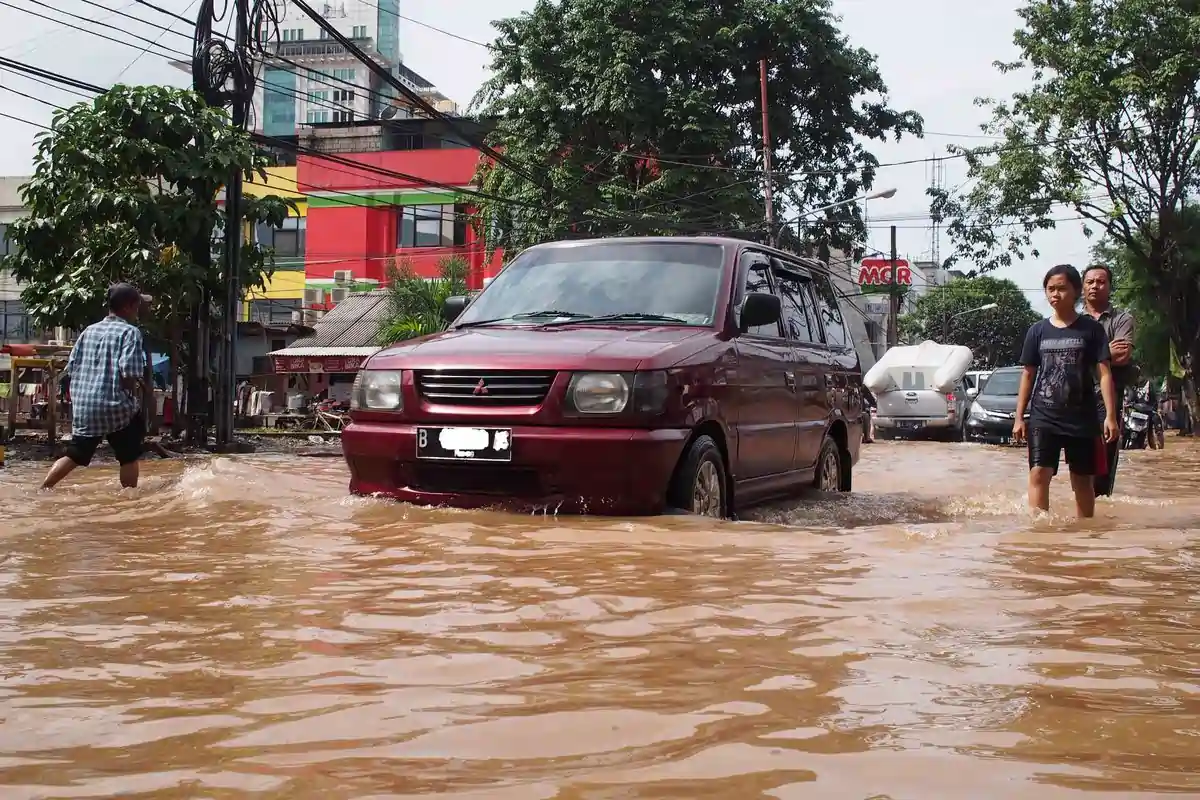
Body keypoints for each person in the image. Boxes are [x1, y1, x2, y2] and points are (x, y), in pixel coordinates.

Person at [1013, 264, 1119, 518]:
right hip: (1043, 415)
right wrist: (1019, 417)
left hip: (1082, 416)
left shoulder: (1091, 330)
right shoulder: (1037, 331)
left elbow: (1104, 373)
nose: (1055, 295)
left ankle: (1085, 533)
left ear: (1076, 291)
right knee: (1039, 472)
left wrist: (1111, 416)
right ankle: (1040, 532)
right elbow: (1028, 374)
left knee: (1082, 480)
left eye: (1061, 288)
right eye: (1050, 289)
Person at [41, 283, 150, 490]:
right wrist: (133, 396)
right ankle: (129, 499)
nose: (138, 311)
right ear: (128, 307)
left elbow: (72, 367)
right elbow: (129, 373)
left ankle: (44, 488)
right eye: (137, 306)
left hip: (84, 407)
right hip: (114, 406)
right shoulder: (130, 332)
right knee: (129, 455)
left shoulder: (88, 331)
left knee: (76, 453)